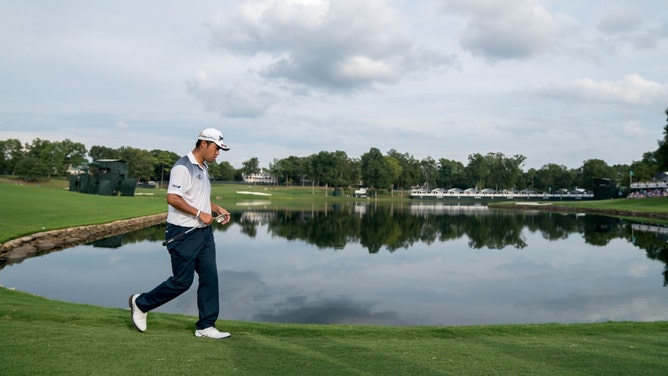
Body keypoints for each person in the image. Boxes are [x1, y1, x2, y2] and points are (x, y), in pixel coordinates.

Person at [129, 128, 232, 339]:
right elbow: (173, 198)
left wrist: (215, 209)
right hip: (183, 232)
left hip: (203, 233)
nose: (218, 153)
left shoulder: (202, 168)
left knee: (210, 278)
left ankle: (206, 325)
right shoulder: (182, 167)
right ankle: (140, 303)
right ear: (203, 144)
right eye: (216, 148)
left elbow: (196, 198)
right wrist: (198, 213)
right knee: (182, 282)